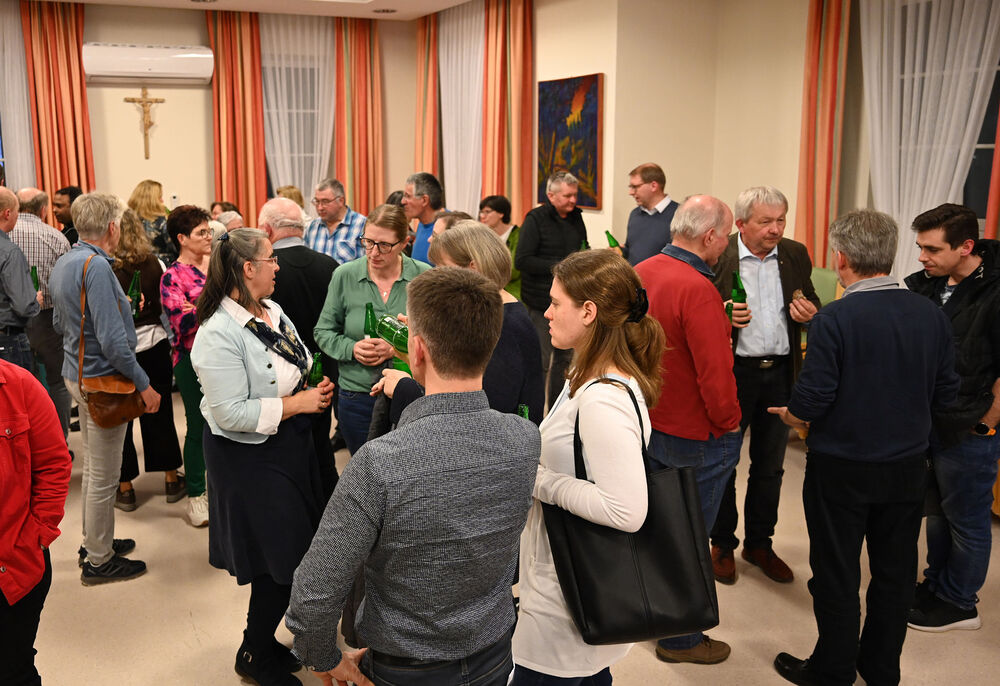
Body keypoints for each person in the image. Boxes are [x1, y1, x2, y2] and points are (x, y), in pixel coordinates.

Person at [287, 267, 540, 686]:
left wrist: (322, 656)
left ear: (415, 349)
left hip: (405, 667)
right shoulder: (525, 438)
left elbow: (315, 591)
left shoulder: (380, 463)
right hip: (495, 656)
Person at [769, 209, 960, 686]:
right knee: (895, 573)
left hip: (842, 469)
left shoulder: (835, 318)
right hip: (906, 467)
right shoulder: (931, 314)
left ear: (842, 258)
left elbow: (813, 398)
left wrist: (793, 416)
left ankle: (833, 669)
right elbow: (946, 395)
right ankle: (880, 669)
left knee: (835, 572)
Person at [511, 249, 665, 685]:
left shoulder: (603, 399)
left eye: (555, 302)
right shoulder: (585, 375)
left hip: (569, 596)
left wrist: (540, 481)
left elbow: (625, 510)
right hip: (566, 582)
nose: (547, 312)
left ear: (589, 311)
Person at [190, 228, 334, 686]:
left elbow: (296, 358)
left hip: (289, 445)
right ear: (248, 268)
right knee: (282, 558)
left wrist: (310, 386)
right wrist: (298, 403)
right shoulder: (217, 333)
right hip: (249, 459)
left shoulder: (272, 309)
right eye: (271, 259)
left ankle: (262, 642)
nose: (278, 266)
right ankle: (254, 652)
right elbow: (230, 413)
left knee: (289, 554)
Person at [633, 195, 742, 666]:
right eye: (727, 236)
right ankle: (680, 639)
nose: (726, 246)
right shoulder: (698, 288)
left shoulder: (642, 271)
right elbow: (715, 375)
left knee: (656, 528)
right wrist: (730, 423)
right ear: (709, 236)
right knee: (690, 540)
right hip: (696, 435)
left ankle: (649, 615)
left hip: (648, 420)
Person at [709, 186, 820, 585]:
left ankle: (759, 544)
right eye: (766, 221)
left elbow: (811, 299)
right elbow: (697, 308)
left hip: (781, 374)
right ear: (741, 224)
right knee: (724, 462)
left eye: (781, 220)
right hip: (734, 373)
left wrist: (811, 313)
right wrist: (721, 315)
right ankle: (722, 542)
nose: (776, 229)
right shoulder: (718, 254)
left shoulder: (795, 253)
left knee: (770, 466)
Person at [49, 192, 161, 584]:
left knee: (98, 470)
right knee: (104, 477)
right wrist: (144, 384)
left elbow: (62, 322)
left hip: (77, 373)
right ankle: (99, 560)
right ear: (112, 227)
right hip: (102, 380)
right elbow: (114, 344)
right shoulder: (96, 267)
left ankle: (95, 542)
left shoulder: (68, 260)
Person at [905, 203, 1000, 633]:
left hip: (971, 425)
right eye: (920, 247)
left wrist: (988, 421)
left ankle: (961, 603)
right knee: (938, 513)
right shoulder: (927, 284)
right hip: (932, 423)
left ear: (965, 247)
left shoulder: (994, 291)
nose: (922, 257)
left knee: (967, 520)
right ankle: (936, 586)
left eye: (932, 249)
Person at [375, 222, 544, 425]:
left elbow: (478, 412)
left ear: (473, 269)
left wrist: (405, 388)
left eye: (443, 269)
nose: (437, 278)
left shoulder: (506, 326)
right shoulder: (489, 313)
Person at [314, 204, 431, 455]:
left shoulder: (424, 277)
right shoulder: (345, 275)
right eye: (368, 242)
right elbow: (323, 331)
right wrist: (352, 348)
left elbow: (437, 337)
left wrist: (396, 349)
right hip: (357, 395)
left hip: (411, 393)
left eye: (384, 245)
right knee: (365, 468)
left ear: (404, 243)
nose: (374, 253)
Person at [259, 197, 340, 498]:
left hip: (279, 378)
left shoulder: (265, 271)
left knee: (288, 453)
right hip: (325, 371)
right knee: (321, 446)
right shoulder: (330, 265)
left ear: (267, 230)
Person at [0, 359, 73, 686]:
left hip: (15, 564)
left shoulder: (20, 386)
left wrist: (39, 534)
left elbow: (54, 464)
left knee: (14, 668)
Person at [112, 209, 184, 511]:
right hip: (154, 341)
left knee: (123, 416)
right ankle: (170, 478)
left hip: (122, 348)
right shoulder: (155, 263)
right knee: (161, 411)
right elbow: (164, 307)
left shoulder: (107, 267)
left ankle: (125, 487)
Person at [160, 205, 214, 527]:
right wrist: (213, 302)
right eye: (201, 233)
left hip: (227, 356)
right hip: (191, 359)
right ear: (182, 238)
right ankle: (196, 495)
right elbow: (182, 324)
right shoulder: (172, 277)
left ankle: (221, 487)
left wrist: (197, 304)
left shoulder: (217, 265)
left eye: (209, 231)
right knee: (198, 426)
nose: (208, 237)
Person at [516, 170, 588, 407]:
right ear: (551, 195)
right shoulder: (535, 219)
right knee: (542, 361)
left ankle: (557, 408)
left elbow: (582, 247)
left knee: (564, 360)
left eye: (575, 195)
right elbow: (523, 260)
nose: (573, 200)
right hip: (540, 303)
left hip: (570, 301)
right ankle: (536, 411)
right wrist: (562, 266)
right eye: (567, 196)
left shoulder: (576, 217)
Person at [12, 188, 72, 437]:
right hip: (49, 320)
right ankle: (59, 440)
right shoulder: (56, 238)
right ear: (43, 210)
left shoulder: (5, 236)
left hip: (13, 320)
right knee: (58, 382)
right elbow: (66, 285)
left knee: (21, 384)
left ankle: (30, 442)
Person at [0, 186, 42, 371]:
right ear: (7, 213)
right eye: (18, 211)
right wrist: (35, 302)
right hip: (8, 341)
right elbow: (23, 306)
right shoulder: (10, 253)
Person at [621, 163, 678, 266]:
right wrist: (620, 252)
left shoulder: (679, 215)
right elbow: (631, 251)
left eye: (635, 187)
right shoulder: (635, 214)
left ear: (653, 186)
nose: (631, 192)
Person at [304, 178, 367, 265]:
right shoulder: (312, 227)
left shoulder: (362, 225)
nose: (320, 207)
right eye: (317, 201)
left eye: (325, 202)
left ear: (341, 201)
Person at [479, 194, 522, 299]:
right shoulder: (485, 235)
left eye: (487, 212)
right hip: (488, 289)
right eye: (482, 212)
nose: (482, 216)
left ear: (501, 213)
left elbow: (514, 270)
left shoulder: (518, 234)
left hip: (513, 292)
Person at [128, 179, 177, 265]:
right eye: (160, 197)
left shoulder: (128, 222)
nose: (162, 201)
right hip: (162, 267)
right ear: (152, 200)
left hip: (134, 268)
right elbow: (177, 249)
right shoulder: (162, 222)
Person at [401, 171, 444, 264]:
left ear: (424, 200)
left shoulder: (448, 226)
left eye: (408, 196)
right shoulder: (422, 223)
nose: (402, 201)